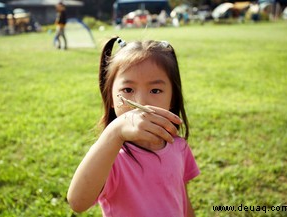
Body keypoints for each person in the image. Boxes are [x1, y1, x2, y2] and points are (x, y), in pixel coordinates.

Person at [67, 37, 200, 217]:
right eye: (128, 90)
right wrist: (114, 132)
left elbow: (182, 199)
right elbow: (77, 202)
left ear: (172, 99)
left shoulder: (178, 146)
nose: (141, 102)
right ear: (111, 98)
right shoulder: (111, 156)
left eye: (155, 91)